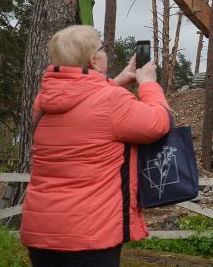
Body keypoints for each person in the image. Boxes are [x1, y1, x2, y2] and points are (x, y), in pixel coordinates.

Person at [20, 25, 171, 267]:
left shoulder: (43, 101)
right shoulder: (112, 102)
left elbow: (83, 103)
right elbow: (159, 123)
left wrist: (116, 82)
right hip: (89, 233)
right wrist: (148, 84)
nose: (106, 52)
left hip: (42, 231)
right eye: (103, 47)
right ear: (94, 60)